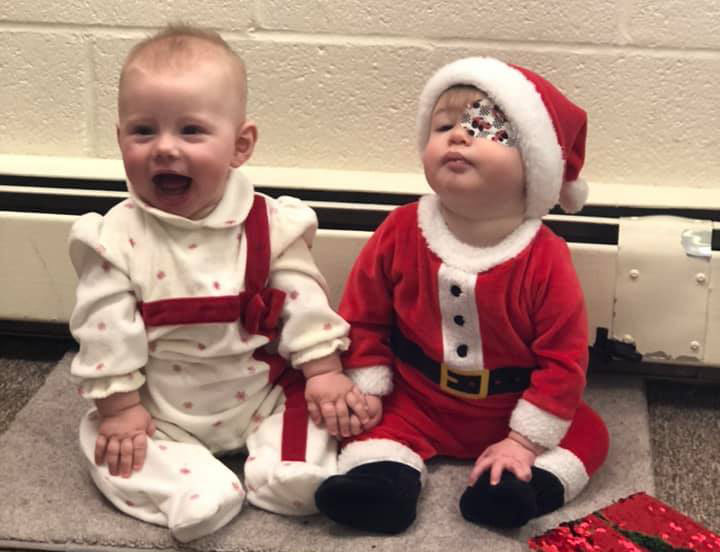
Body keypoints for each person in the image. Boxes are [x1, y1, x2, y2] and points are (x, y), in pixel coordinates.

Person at [68, 24, 379, 543]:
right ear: (121, 139)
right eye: (143, 132)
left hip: (262, 395)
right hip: (161, 407)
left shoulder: (270, 224)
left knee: (309, 411)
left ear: (239, 146)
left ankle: (288, 471)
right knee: (108, 443)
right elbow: (105, 330)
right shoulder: (113, 239)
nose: (164, 148)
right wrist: (120, 408)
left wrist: (324, 370)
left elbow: (303, 299)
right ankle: (192, 487)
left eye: (191, 131)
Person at [314, 57, 610, 534]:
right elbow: (364, 316)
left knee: (589, 432)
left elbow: (564, 359)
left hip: (509, 407)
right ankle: (383, 482)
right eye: (444, 125)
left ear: (534, 164)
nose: (458, 136)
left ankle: (518, 487)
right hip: (417, 398)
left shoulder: (546, 258)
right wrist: (367, 386)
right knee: (365, 427)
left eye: (485, 128)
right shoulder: (399, 229)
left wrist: (522, 439)